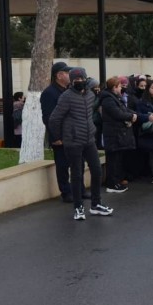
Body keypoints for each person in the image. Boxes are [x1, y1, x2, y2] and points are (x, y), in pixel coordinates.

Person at [48, 67, 113, 220]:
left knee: (97, 171)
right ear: (71, 81)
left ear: (85, 79)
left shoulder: (90, 95)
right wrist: (57, 137)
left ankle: (96, 205)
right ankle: (78, 207)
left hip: (89, 139)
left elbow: (90, 115)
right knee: (77, 175)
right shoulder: (66, 97)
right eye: (75, 80)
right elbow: (54, 118)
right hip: (73, 141)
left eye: (81, 79)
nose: (79, 82)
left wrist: (93, 129)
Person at [41, 61, 86, 203]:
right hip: (60, 136)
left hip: (74, 134)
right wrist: (55, 136)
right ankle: (66, 192)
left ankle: (80, 191)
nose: (70, 75)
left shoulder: (68, 90)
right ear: (59, 75)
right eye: (67, 73)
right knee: (62, 165)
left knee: (78, 163)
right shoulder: (49, 93)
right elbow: (48, 117)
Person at [100, 76, 140, 193]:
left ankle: (115, 182)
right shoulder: (108, 99)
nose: (121, 88)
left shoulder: (113, 98)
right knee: (113, 160)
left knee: (117, 160)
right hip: (113, 134)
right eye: (119, 86)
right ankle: (112, 184)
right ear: (114, 87)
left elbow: (124, 110)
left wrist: (134, 115)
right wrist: (131, 116)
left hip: (117, 134)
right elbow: (118, 113)